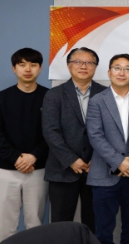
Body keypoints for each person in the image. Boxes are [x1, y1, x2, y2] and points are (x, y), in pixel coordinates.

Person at [86, 54, 129, 244]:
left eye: (127, 68)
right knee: (103, 229)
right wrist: (119, 161)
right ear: (109, 72)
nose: (122, 73)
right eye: (117, 68)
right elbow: (95, 136)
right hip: (104, 174)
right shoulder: (97, 101)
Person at [0, 48, 49, 243]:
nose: (27, 69)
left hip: (38, 171)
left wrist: (34, 156)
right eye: (22, 65)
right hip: (5, 171)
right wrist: (16, 158)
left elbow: (53, 134)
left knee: (35, 226)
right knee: (5, 228)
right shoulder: (0, 99)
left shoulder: (50, 97)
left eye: (33, 64)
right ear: (14, 68)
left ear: (40, 68)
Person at [42, 47, 105, 232]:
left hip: (96, 170)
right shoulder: (54, 94)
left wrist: (98, 159)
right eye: (78, 62)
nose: (83, 66)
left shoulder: (105, 94)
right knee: (60, 226)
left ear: (95, 67)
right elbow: (50, 131)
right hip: (62, 170)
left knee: (95, 224)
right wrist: (71, 160)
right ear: (69, 66)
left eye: (89, 62)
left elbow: (110, 131)